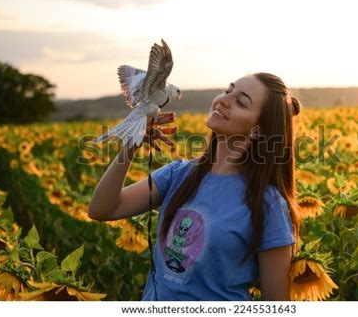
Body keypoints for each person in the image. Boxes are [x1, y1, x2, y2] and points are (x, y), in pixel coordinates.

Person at [88, 72, 302, 301]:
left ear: (258, 130)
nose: (224, 99)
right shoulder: (178, 174)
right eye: (228, 90)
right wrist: (133, 140)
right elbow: (103, 209)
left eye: (240, 102)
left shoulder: (268, 204)